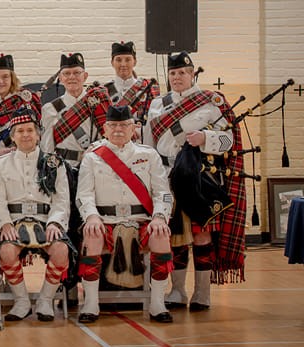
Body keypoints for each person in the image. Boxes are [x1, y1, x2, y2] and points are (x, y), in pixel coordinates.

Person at [144, 51, 246, 311]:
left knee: (201, 237)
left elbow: (229, 140)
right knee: (175, 236)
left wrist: (205, 138)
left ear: (192, 74)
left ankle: (202, 294)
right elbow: (149, 142)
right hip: (167, 177)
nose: (177, 77)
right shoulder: (158, 104)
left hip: (199, 177)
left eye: (182, 73)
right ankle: (177, 291)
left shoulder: (210, 102)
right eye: (173, 73)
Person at [75, 106, 174, 324]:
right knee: (91, 236)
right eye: (113, 125)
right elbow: (84, 194)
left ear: (134, 128)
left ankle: (158, 304)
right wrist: (91, 217)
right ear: (104, 128)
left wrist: (159, 217)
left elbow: (163, 193)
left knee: (160, 235)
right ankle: (91, 303)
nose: (118, 129)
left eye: (124, 125)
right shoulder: (92, 157)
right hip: (106, 220)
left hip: (141, 220)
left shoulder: (149, 155)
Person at [0, 110, 71, 322]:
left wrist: (55, 223)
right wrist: (4, 224)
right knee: (7, 251)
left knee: (61, 250)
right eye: (20, 131)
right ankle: (22, 301)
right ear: (13, 136)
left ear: (38, 134)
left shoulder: (54, 162)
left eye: (29, 130)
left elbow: (62, 199)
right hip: (14, 220)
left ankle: (46, 300)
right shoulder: (0, 164)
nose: (25, 135)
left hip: (45, 220)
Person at [40, 53, 99, 168]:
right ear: (61, 78)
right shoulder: (50, 109)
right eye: (66, 73)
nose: (72, 77)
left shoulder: (98, 103)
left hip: (95, 166)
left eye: (77, 73)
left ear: (85, 76)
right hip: (64, 168)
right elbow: (47, 146)